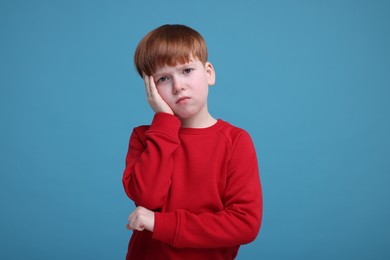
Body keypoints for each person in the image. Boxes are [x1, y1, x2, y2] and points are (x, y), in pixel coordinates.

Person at [122, 24, 262, 259]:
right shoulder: (145, 138)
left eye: (186, 70)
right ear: (151, 89)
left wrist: (160, 223)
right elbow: (147, 198)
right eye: (164, 78)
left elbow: (245, 224)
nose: (178, 86)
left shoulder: (236, 141)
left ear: (209, 73)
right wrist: (164, 121)